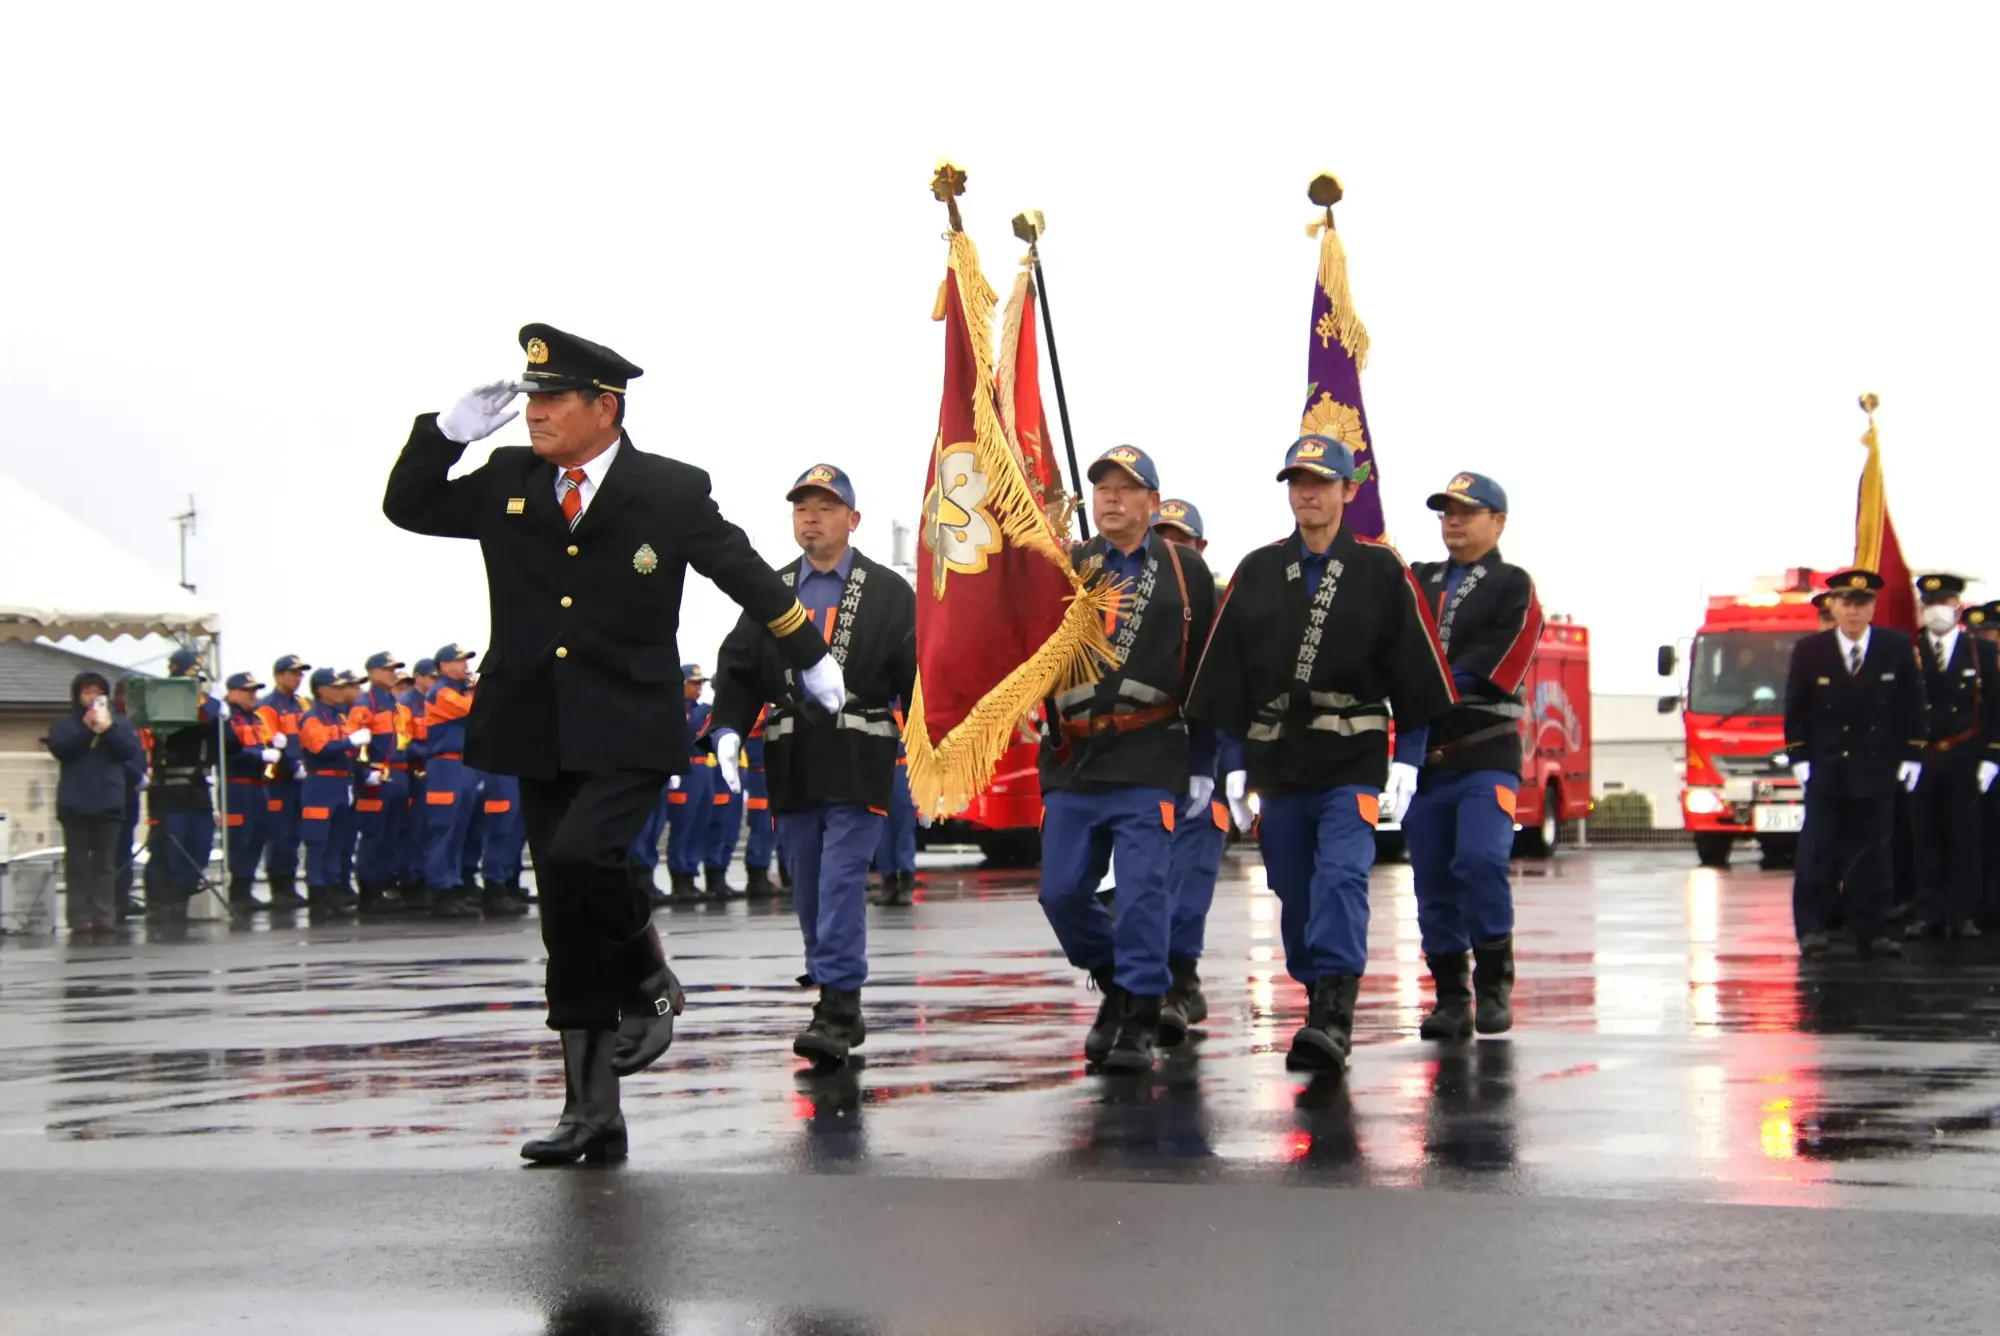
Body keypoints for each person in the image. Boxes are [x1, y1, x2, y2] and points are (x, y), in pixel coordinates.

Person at [382, 323, 843, 1164]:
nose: (536, 415)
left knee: (580, 861)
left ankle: (649, 981)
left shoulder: (665, 489)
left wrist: (807, 650)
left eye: (553, 399)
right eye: (529, 400)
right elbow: (408, 508)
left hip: (629, 721)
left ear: (607, 406)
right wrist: (442, 436)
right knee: (564, 915)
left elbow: (738, 567)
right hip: (532, 720)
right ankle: (592, 1110)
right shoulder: (509, 478)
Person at [1187, 435, 1456, 1074]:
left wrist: (1409, 757)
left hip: (1353, 752)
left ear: (1348, 490)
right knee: (1291, 884)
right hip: (1278, 758)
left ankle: (1335, 1015)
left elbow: (1417, 674)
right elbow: (1225, 678)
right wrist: (1232, 764)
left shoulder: (1381, 570)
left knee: (1341, 874)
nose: (1307, 493)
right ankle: (1315, 995)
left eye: (1321, 481)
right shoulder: (1256, 570)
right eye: (1297, 481)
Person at [711, 463, 916, 1071]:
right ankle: (832, 991)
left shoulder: (887, 592)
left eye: (826, 507)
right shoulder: (769, 589)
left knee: (840, 880)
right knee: (805, 880)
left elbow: (917, 679)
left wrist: (937, 752)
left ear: (853, 520)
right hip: (792, 754)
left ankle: (838, 1004)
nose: (811, 517)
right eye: (803, 507)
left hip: (859, 754)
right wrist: (725, 728)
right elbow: (739, 668)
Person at [1034, 447, 1218, 1074]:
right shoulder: (1069, 565)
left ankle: (1139, 1015)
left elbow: (1207, 670)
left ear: (1150, 501)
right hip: (1073, 755)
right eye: (1103, 488)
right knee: (1060, 892)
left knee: (1143, 894)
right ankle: (1115, 980)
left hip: (1151, 751)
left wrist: (1208, 759)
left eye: (1125, 489)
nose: (1112, 498)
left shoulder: (1184, 571)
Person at [1403, 473, 1544, 1039]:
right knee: (1431, 876)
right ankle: (1450, 993)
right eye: (1445, 513)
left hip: (1485, 751)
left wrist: (1422, 681)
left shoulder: (1513, 584)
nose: (1453, 521)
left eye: (1467, 511)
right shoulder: (1418, 579)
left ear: (1499, 521)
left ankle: (1494, 980)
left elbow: (1492, 666)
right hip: (1423, 758)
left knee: (1481, 860)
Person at [1783, 568, 1927, 959]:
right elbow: (1795, 707)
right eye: (1846, 603)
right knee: (1817, 852)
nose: (1853, 611)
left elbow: (1910, 705)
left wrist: (1913, 754)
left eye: (1862, 604)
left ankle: (1873, 930)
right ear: (1833, 605)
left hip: (1877, 766)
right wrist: (1798, 755)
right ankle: (1813, 930)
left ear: (1873, 608)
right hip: (1827, 767)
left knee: (1875, 853)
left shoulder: (1894, 648)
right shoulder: (1810, 650)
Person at [1145, 498, 1241, 1043]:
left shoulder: (1222, 606)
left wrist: (1240, 771)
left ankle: (1180, 981)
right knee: (1144, 880)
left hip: (1211, 763)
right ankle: (1145, 983)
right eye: (1163, 537)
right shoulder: (1124, 600)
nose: (1172, 548)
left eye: (1182, 540)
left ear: (1202, 549)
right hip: (1144, 760)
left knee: (1189, 879)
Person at [1903, 574, 2000, 941]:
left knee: (1965, 837)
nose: (1936, 609)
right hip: (1923, 757)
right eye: (1929, 603)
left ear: (1958, 606)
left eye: (1943, 601)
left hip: (1965, 754)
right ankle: (1928, 911)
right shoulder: (1908, 650)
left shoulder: (1981, 651)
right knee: (1924, 836)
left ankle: (1964, 913)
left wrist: (1992, 756)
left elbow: (1994, 707)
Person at [142, 647, 237, 923]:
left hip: (197, 790)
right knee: (168, 850)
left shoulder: (206, 706)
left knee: (199, 847)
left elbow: (231, 744)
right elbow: (189, 726)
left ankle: (180, 900)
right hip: (169, 789)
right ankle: (162, 904)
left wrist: (222, 717)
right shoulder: (168, 699)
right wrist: (213, 708)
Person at [48, 672, 144, 936]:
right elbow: (61, 749)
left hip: (108, 801)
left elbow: (127, 751)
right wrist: (87, 729)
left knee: (105, 862)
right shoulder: (64, 724)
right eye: (87, 692)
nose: (92, 697)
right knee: (77, 862)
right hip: (75, 801)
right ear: (78, 695)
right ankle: (79, 916)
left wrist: (107, 729)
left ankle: (104, 915)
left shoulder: (120, 724)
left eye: (98, 692)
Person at [350, 651, 418, 917]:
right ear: (373, 672)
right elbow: (355, 744)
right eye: (387, 669)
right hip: (376, 778)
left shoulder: (399, 706)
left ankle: (385, 886)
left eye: (394, 669)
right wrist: (363, 772)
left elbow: (405, 742)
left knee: (392, 836)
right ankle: (368, 892)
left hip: (399, 776)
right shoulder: (364, 704)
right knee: (373, 836)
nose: (392, 673)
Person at [420, 644, 484, 919]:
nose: (465, 666)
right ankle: (440, 890)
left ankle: (454, 885)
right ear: (444, 666)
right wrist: (479, 688)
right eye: (458, 661)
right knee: (443, 829)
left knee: (459, 829)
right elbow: (473, 708)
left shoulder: (457, 689)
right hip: (445, 765)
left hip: (462, 763)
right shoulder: (442, 692)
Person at [297, 667, 366, 920]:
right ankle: (317, 894)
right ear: (322, 690)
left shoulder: (338, 717)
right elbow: (320, 748)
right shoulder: (312, 718)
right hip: (320, 786)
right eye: (335, 687)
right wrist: (351, 742)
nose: (340, 691)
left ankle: (332, 890)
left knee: (338, 840)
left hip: (339, 784)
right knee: (318, 841)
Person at [222, 671, 281, 913]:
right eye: (247, 691)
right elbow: (228, 751)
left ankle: (245, 887)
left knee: (258, 835)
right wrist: (260, 755)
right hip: (236, 785)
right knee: (239, 838)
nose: (252, 695)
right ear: (232, 692)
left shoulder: (255, 719)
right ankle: (236, 891)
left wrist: (271, 749)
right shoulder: (227, 719)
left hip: (258, 785)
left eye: (254, 691)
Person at [257, 656, 312, 911]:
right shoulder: (268, 706)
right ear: (278, 676)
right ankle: (279, 887)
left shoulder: (302, 704)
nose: (297, 678)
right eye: (292, 673)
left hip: (301, 779)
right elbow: (271, 741)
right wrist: (292, 766)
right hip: (279, 780)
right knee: (280, 834)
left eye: (300, 673)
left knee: (297, 833)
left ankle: (289, 885)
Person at [662, 666, 716, 903]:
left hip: (703, 769)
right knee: (683, 825)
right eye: (694, 683)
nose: (699, 688)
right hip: (684, 770)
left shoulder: (702, 709)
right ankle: (679, 877)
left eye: (701, 683)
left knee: (699, 825)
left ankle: (691, 874)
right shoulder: (673, 708)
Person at [869, 702, 919, 907]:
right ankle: (889, 882)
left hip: (902, 768)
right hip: (878, 769)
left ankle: (906, 882)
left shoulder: (904, 700)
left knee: (903, 826)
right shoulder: (869, 698)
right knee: (881, 829)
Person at [397, 659, 437, 899]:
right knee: (414, 829)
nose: (434, 682)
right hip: (414, 774)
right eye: (430, 677)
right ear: (419, 677)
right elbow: (404, 742)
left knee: (430, 829)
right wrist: (431, 753)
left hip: (434, 772)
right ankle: (411, 881)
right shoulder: (405, 704)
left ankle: (424, 877)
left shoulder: (432, 702)